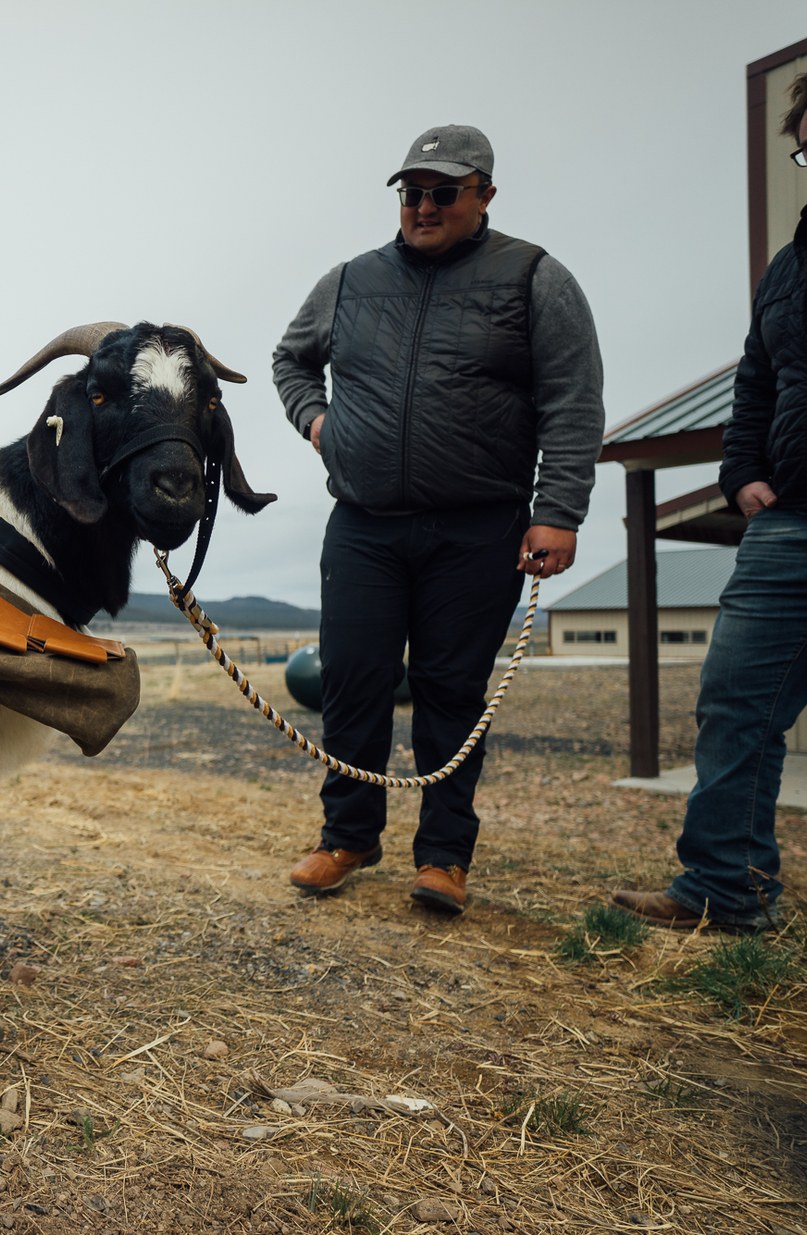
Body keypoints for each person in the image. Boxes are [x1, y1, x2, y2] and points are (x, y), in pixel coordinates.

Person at [272, 124, 605, 915]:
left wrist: (557, 510)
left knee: (453, 690)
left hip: (478, 526)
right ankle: (346, 836)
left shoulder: (534, 278)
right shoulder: (350, 280)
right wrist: (319, 424)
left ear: (484, 195)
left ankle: (444, 856)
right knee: (352, 682)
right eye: (411, 192)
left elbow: (573, 398)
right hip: (364, 522)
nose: (423, 206)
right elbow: (291, 358)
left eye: (442, 192)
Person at [613, 42, 807, 933]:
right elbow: (758, 380)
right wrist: (741, 475)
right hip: (791, 524)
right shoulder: (797, 256)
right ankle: (722, 890)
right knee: (735, 705)